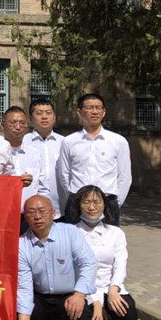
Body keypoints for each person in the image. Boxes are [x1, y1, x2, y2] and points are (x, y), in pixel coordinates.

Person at [16, 195, 100, 320]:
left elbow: (88, 263)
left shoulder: (70, 232)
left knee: (82, 314)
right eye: (31, 212)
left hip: (68, 296)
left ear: (53, 214)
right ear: (25, 218)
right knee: (15, 312)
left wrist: (79, 294)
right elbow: (24, 287)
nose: (37, 217)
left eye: (42, 211)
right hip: (40, 297)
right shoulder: (22, 245)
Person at [71, 185, 147, 320]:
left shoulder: (116, 233)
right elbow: (74, 272)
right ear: (79, 205)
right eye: (86, 202)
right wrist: (95, 301)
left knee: (126, 305)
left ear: (105, 205)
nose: (92, 207)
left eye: (97, 202)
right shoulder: (71, 233)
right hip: (84, 292)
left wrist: (114, 289)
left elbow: (120, 264)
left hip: (108, 287)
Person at [58, 93, 132, 225]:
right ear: (80, 112)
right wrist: (74, 199)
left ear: (104, 112)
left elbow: (124, 177)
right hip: (77, 203)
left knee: (108, 238)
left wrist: (113, 203)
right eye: (89, 108)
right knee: (74, 238)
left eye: (98, 108)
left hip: (108, 203)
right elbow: (64, 175)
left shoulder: (118, 141)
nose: (95, 111)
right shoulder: (69, 141)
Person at [24, 100, 64, 217]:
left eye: (48, 113)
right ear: (30, 118)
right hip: (31, 211)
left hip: (61, 208)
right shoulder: (23, 142)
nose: (44, 116)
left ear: (54, 117)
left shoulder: (65, 143)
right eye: (39, 113)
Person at [2, 106, 39, 231]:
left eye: (22, 123)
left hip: (28, 216)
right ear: (2, 125)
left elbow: (42, 186)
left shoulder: (35, 154)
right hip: (3, 214)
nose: (18, 127)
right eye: (13, 123)